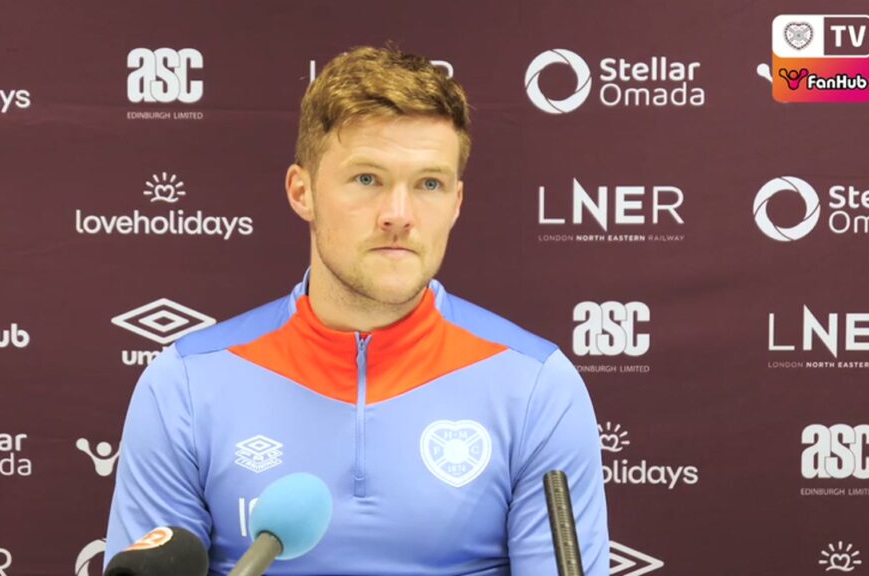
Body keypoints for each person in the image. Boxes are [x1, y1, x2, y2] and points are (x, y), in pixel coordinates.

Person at [105, 45, 609, 575]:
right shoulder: (185, 385)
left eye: (429, 184)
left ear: (456, 204)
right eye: (367, 179)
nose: (399, 215)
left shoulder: (536, 387)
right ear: (302, 191)